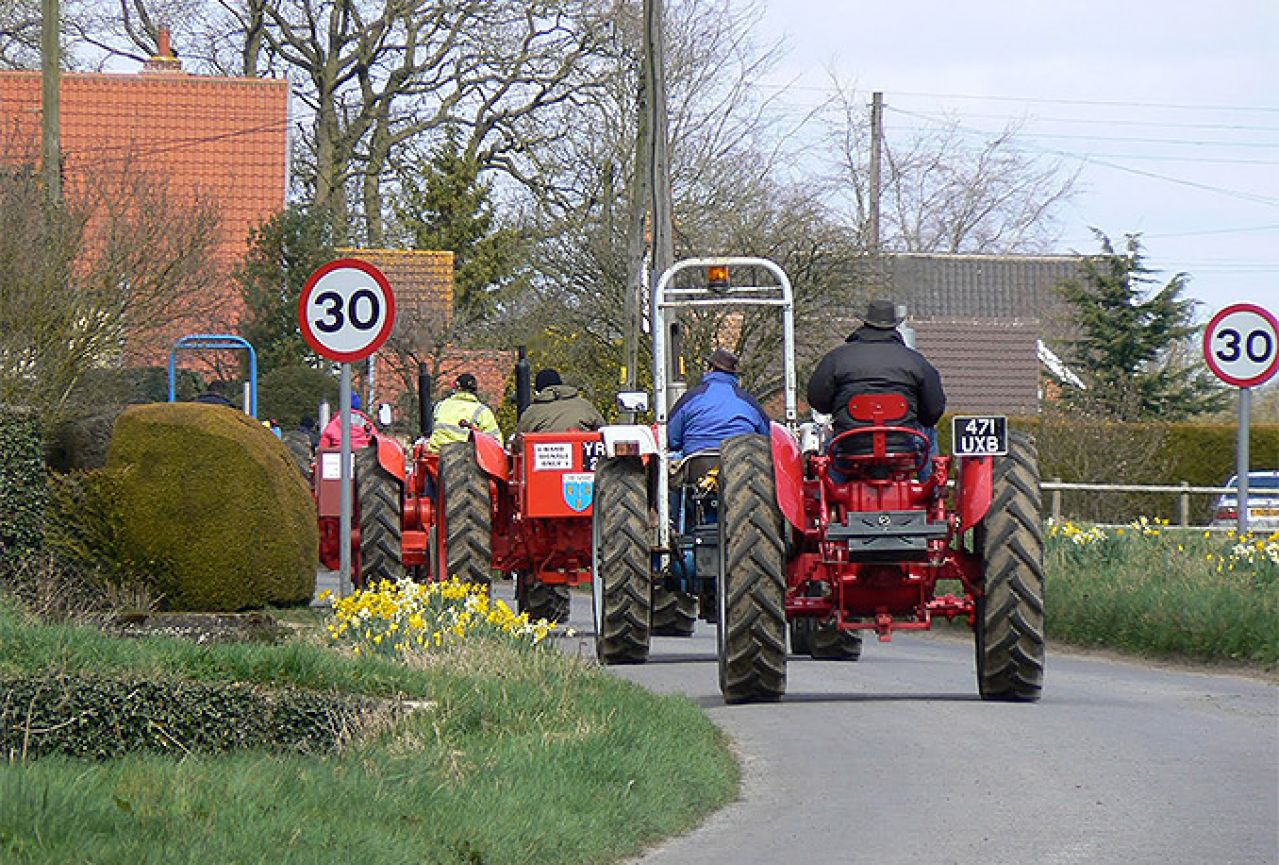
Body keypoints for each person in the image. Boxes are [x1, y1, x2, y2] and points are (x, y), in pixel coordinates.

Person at [806, 298, 946, 477]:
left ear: (865, 323)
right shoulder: (916, 361)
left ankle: (830, 491)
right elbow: (933, 411)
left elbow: (818, 401)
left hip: (850, 442)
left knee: (832, 445)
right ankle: (932, 488)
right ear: (894, 326)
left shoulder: (837, 358)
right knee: (928, 434)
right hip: (902, 442)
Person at [667, 348, 771, 456]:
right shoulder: (748, 401)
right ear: (734, 374)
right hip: (741, 462)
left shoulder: (691, 397)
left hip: (697, 464)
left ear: (710, 369)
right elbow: (769, 435)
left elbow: (671, 437)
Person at [427, 372, 502, 452]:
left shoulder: (441, 405)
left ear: (456, 388)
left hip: (436, 456)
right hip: (465, 459)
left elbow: (430, 431)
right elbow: (496, 443)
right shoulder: (482, 411)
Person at [516, 368, 605, 434]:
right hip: (583, 456)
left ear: (538, 392)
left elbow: (519, 441)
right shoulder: (585, 405)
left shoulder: (532, 411)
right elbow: (602, 429)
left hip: (545, 456)